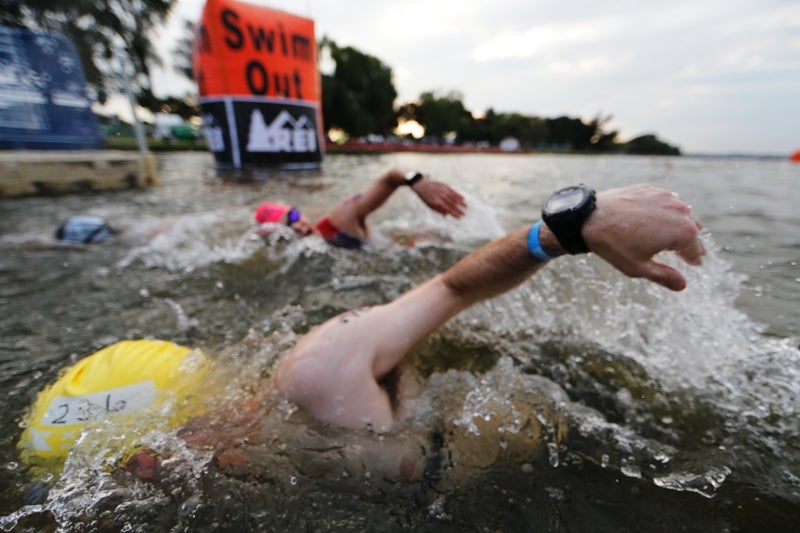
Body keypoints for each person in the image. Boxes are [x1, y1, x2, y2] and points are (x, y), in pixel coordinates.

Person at [274, 183, 706, 433]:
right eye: (284, 221)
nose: (299, 223)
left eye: (296, 214)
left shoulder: (320, 372)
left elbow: (452, 286)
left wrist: (571, 227)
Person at [253, 168, 467, 249]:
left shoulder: (337, 222)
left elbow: (390, 178)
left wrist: (417, 182)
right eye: (288, 228)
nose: (298, 226)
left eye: (294, 215)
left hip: (419, 246)